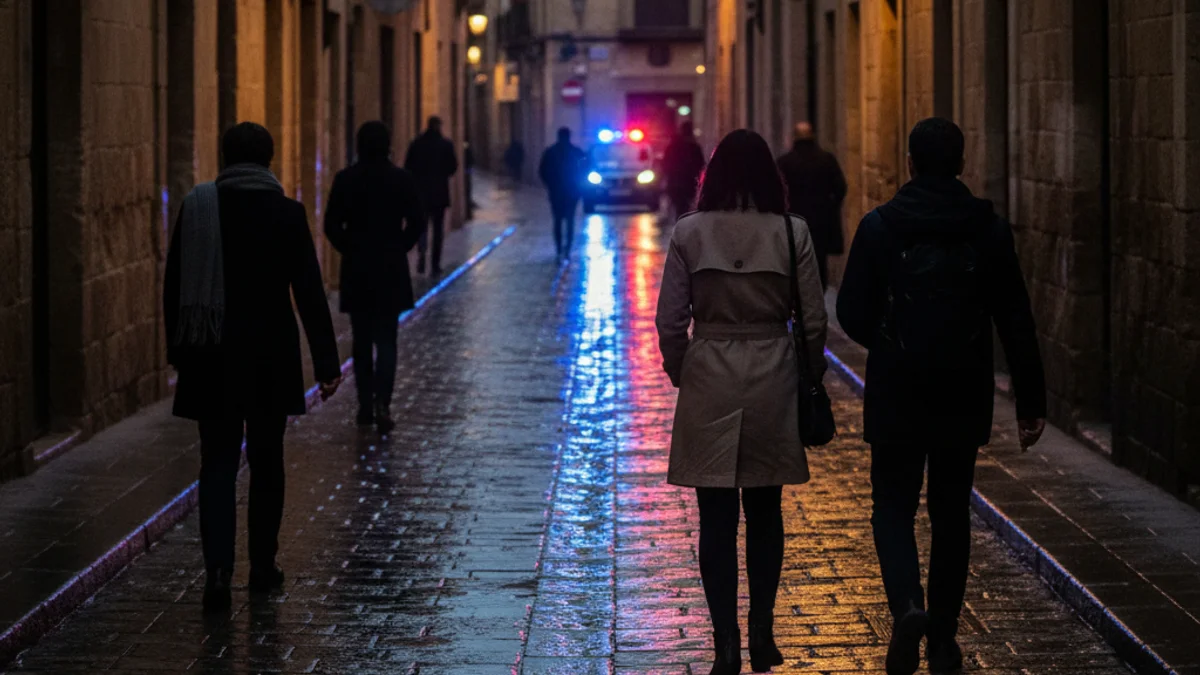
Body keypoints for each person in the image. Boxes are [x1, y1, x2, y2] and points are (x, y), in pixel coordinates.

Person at [836, 118, 1047, 675]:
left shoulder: (881, 227)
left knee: (892, 507)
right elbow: (1016, 319)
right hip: (963, 390)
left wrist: (888, 344)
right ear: (960, 163)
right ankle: (945, 640)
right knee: (951, 515)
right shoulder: (988, 229)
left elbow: (850, 312)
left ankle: (908, 605)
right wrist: (1031, 401)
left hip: (898, 391)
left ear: (910, 162)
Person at [656, 129, 828, 675]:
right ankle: (762, 632)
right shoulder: (789, 231)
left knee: (714, 515)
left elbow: (669, 321)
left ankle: (724, 640)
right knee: (765, 509)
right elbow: (815, 321)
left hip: (710, 370)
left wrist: (686, 368)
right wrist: (810, 372)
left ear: (715, 176)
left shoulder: (689, 232)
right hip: (772, 371)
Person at [164, 122, 342, 612]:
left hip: (212, 356)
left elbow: (175, 284)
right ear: (269, 160)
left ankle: (218, 573)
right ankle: (262, 566)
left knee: (217, 463)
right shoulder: (286, 213)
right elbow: (309, 290)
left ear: (225, 157)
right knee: (267, 463)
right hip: (269, 356)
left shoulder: (198, 207)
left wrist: (178, 353)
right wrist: (327, 364)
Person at [324, 122, 425, 434]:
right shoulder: (401, 179)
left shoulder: (346, 179)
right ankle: (383, 402)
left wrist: (350, 248)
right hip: (390, 269)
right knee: (387, 340)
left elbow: (331, 225)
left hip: (358, 268)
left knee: (362, 339)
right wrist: (400, 247)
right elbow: (417, 221)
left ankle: (365, 405)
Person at [777, 121, 848, 288]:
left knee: (794, 260)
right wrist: (829, 206)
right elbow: (840, 188)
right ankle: (818, 295)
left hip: (793, 220)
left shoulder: (784, 162)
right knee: (818, 260)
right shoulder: (826, 160)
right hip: (820, 222)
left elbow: (776, 191)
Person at [404, 116, 458, 275]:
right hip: (440, 194)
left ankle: (421, 255)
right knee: (438, 230)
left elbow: (408, 167)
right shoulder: (446, 145)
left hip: (421, 194)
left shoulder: (417, 144)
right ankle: (435, 264)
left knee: (422, 227)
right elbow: (453, 167)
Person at [538, 127, 587, 260]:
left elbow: (542, 171)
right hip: (571, 191)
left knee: (559, 219)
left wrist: (550, 185)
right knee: (568, 219)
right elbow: (586, 169)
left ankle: (560, 248)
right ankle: (566, 248)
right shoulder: (576, 152)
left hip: (558, 191)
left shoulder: (551, 152)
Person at [662, 120, 706, 219]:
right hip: (688, 182)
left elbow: (665, 165)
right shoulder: (694, 147)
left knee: (679, 207)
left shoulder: (673, 147)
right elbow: (700, 164)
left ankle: (680, 223)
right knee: (685, 206)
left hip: (675, 182)